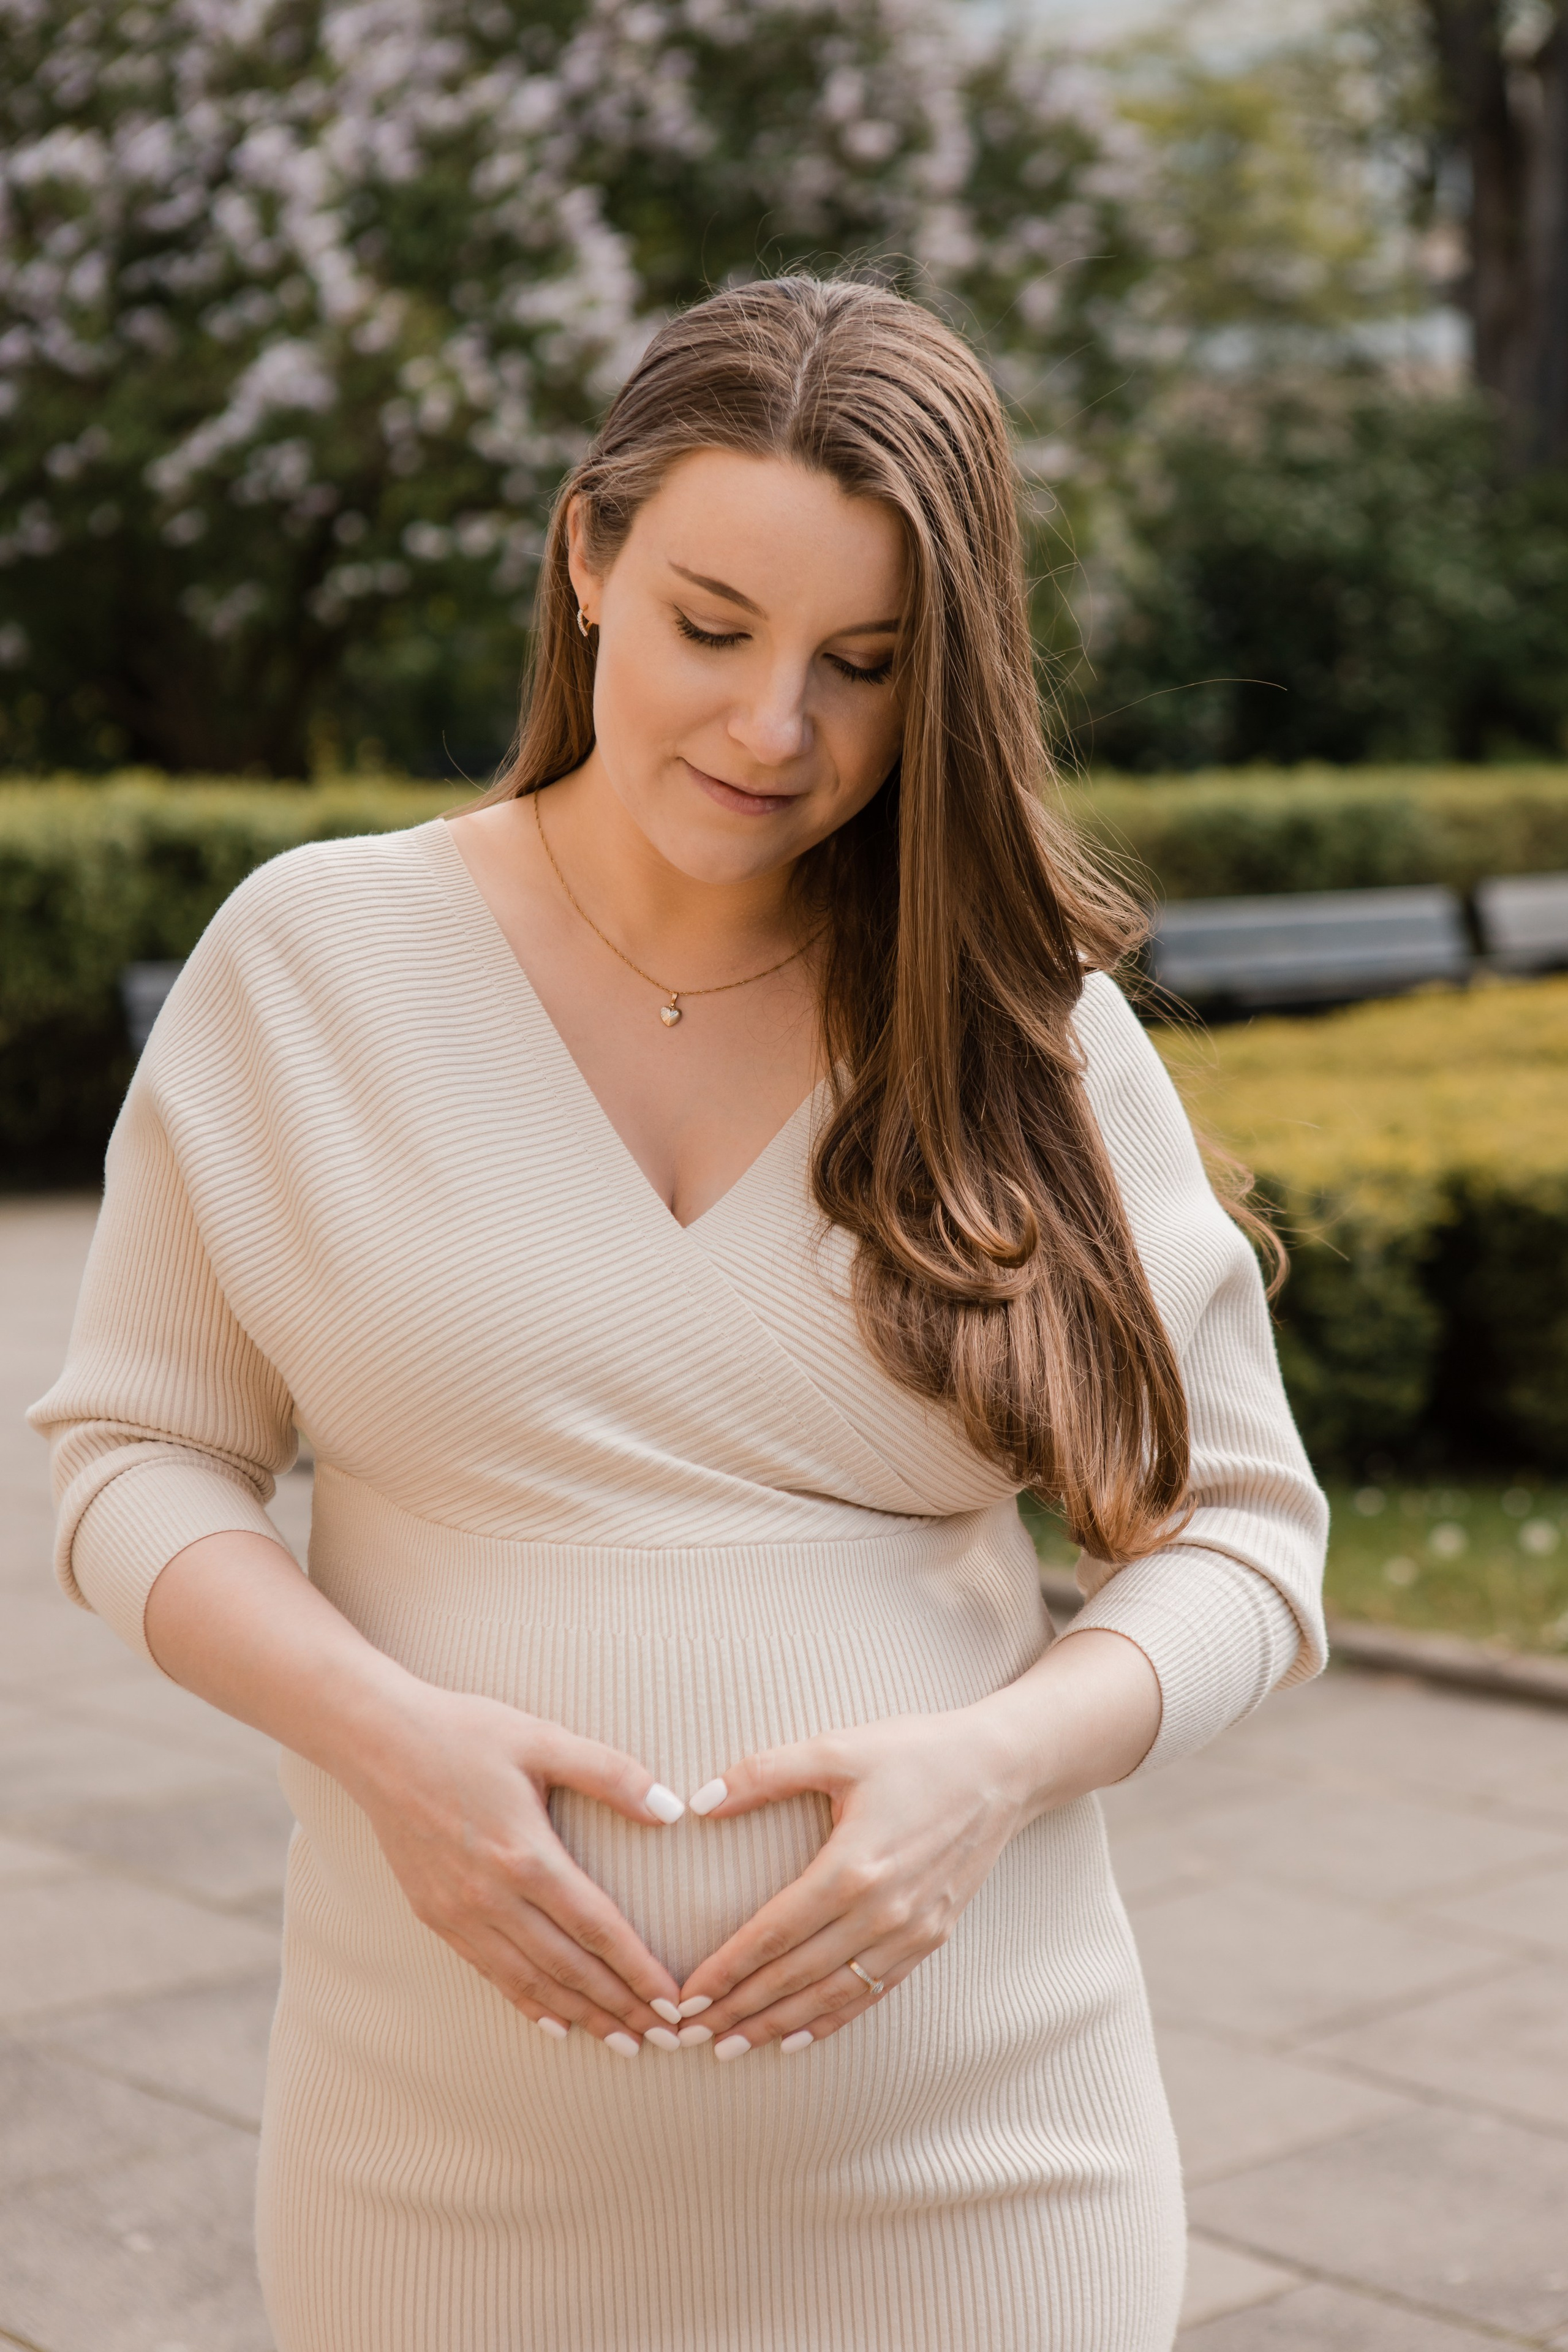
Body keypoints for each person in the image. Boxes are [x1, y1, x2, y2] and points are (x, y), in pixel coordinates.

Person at [31, 275, 1326, 2352]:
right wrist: (384, 1737)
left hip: (988, 2190)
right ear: (588, 558)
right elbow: (130, 1456)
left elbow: (1250, 1538)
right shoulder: (317, 963)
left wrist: (995, 1769)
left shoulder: (1014, 1026)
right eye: (713, 628)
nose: (773, 729)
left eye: (864, 665)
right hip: (432, 2196)